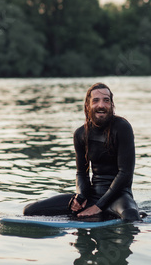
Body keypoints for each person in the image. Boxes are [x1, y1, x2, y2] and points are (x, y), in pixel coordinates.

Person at [23, 83, 141, 222]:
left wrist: (98, 207)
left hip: (119, 197)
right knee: (30, 211)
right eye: (96, 100)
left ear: (112, 105)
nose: (101, 105)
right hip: (93, 195)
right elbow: (81, 173)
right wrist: (80, 197)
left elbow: (125, 173)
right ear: (87, 105)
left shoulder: (122, 127)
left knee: (131, 216)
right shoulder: (81, 134)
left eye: (106, 100)